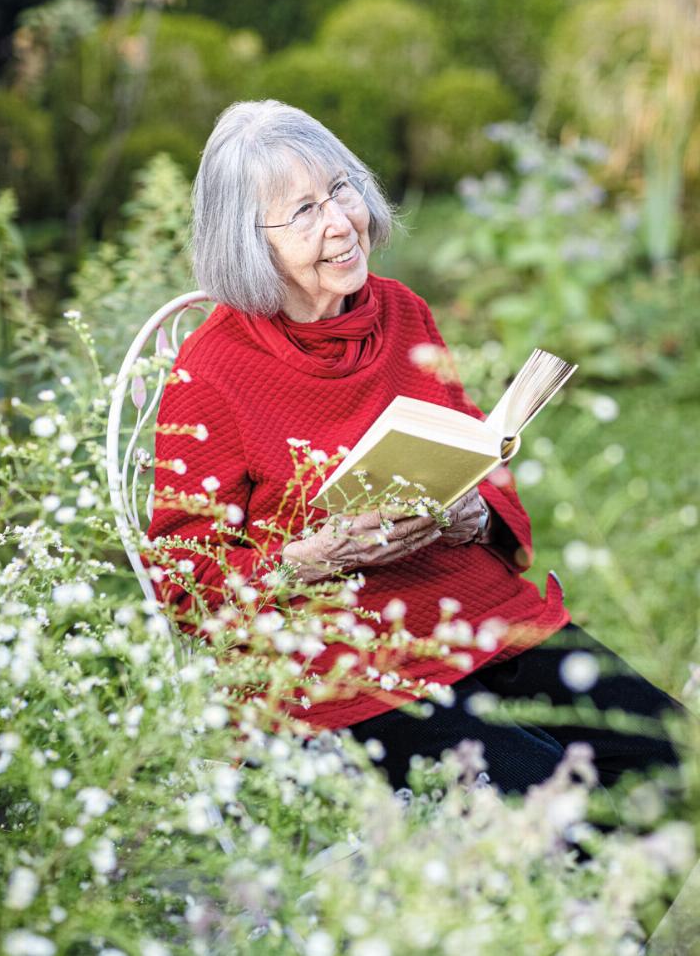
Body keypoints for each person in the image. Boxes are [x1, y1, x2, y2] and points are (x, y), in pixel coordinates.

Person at [147, 99, 683, 796]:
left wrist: (477, 513)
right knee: (554, 801)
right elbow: (182, 577)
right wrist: (307, 559)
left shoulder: (402, 310)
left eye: (340, 189)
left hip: (470, 608)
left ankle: (604, 905)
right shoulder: (212, 369)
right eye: (303, 212)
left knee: (674, 751)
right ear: (251, 242)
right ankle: (566, 903)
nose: (340, 222)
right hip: (341, 664)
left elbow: (476, 451)